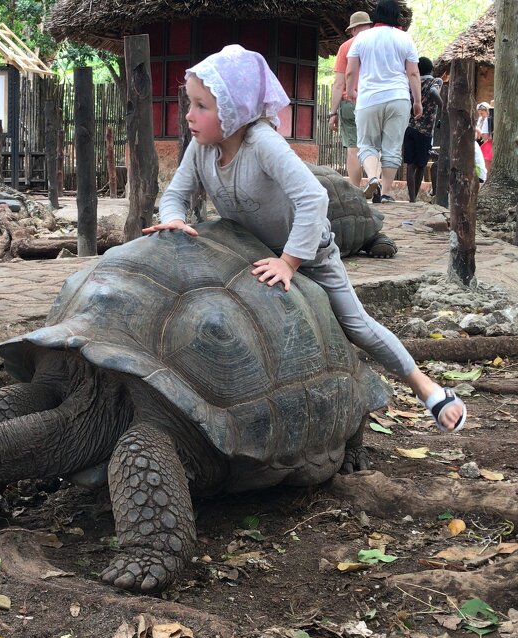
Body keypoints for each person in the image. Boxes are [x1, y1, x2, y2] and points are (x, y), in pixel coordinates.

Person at [146, 44, 467, 433]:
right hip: (250, 252)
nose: (189, 115)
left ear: (235, 109)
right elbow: (176, 195)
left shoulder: (262, 143)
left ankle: (426, 387)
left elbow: (313, 198)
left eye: (201, 106)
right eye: (189, 103)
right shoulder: (201, 148)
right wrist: (175, 220)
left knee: (356, 324)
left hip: (309, 253)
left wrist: (291, 261)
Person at [345, 0, 421, 204]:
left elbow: (351, 70)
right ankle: (386, 192)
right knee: (392, 146)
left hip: (369, 98)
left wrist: (351, 90)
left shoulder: (362, 38)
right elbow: (413, 73)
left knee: (366, 144)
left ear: (375, 15)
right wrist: (418, 102)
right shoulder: (405, 38)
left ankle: (372, 178)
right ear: (397, 17)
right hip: (398, 98)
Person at [330, 11, 374, 187]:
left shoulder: (347, 46)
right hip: (374, 101)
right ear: (369, 25)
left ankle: (356, 190)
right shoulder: (378, 45)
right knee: (373, 146)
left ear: (354, 29)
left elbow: (339, 83)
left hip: (351, 102)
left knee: (353, 149)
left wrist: (332, 112)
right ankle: (376, 182)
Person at [401, 57, 442, 202]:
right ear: (432, 69)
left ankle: (412, 199)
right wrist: (443, 106)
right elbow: (433, 92)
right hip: (425, 130)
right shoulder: (435, 81)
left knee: (410, 165)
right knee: (421, 165)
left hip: (410, 127)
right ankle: (415, 198)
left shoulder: (411, 83)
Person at [475, 102, 493, 171]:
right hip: (480, 140)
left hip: (486, 141)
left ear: (487, 111)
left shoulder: (488, 119)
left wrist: (479, 131)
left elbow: (485, 135)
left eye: (482, 113)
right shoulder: (480, 119)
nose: (480, 115)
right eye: (479, 113)